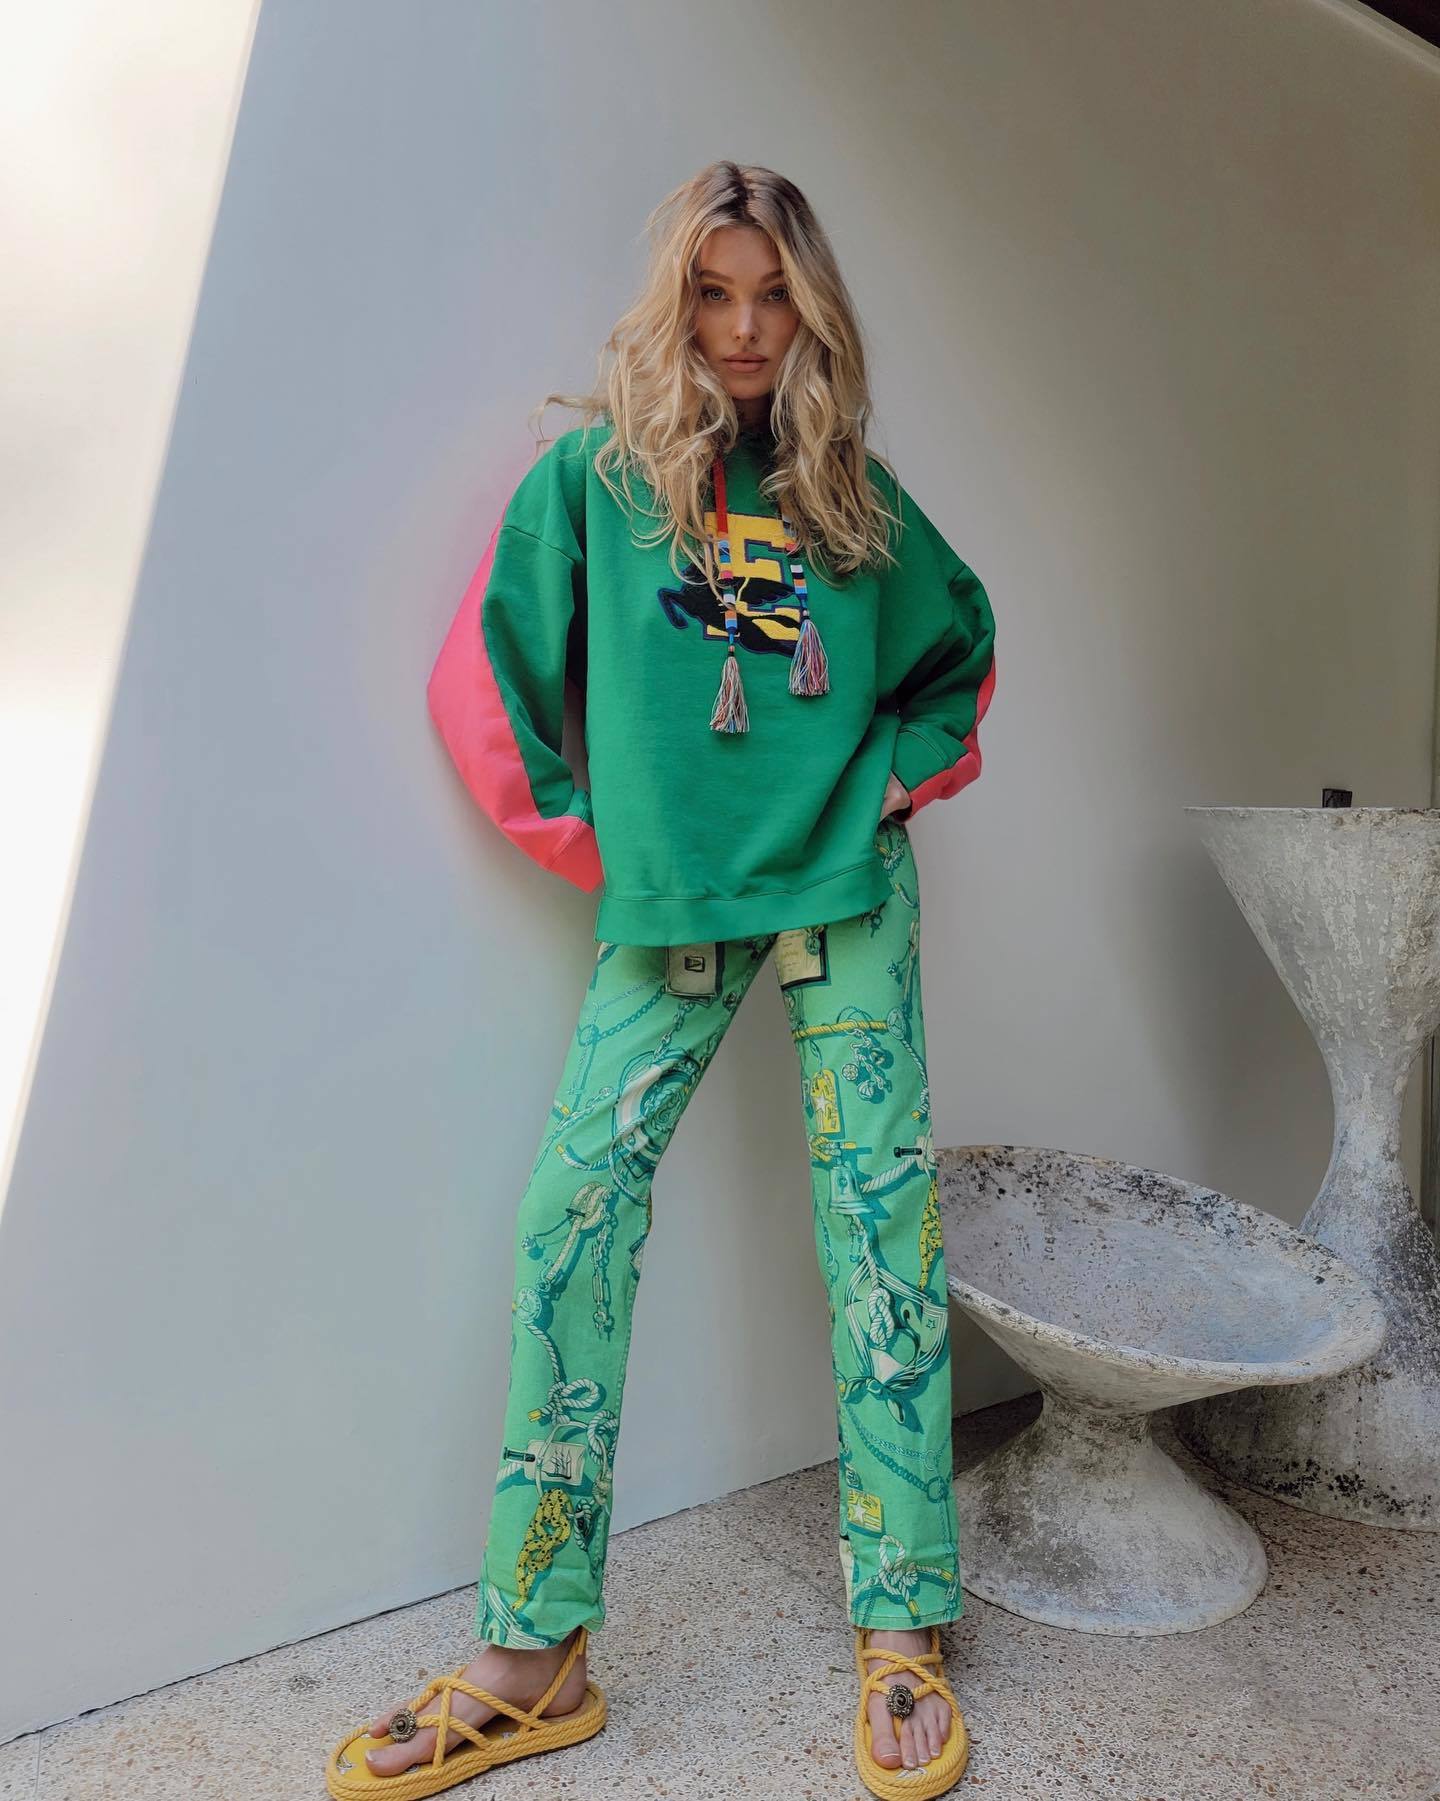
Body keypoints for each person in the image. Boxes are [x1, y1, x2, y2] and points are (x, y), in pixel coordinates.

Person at [325, 159, 996, 1801]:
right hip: (678, 903)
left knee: (879, 1229)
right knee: (573, 1212)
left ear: (812, 311)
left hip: (845, 890)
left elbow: (959, 651)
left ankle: (903, 1615)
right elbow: (487, 677)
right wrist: (594, 843)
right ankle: (537, 1646)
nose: (747, 329)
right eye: (715, 293)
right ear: (674, 301)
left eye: (774, 296)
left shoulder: (854, 500)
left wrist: (884, 783)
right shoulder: (596, 484)